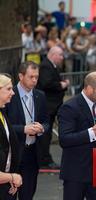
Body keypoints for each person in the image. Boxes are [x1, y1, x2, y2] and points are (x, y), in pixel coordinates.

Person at [57, 71, 96, 200]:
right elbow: (64, 139)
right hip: (76, 173)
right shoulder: (69, 107)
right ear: (89, 88)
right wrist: (91, 132)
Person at [5, 62, 49, 200]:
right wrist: (24, 129)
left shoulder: (40, 96)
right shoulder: (9, 95)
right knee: (9, 194)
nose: (35, 80)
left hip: (32, 152)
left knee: (28, 194)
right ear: (20, 76)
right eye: (31, 77)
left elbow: (47, 121)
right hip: (12, 153)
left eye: (37, 77)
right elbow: (4, 124)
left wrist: (41, 128)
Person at [37, 46, 69, 169]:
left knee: (47, 134)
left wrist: (62, 85)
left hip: (52, 106)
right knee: (45, 134)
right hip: (48, 107)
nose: (62, 58)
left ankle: (44, 158)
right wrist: (62, 85)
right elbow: (47, 83)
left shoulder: (52, 66)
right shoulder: (46, 66)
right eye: (60, 55)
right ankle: (44, 159)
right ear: (53, 54)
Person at [0, 74, 22, 199]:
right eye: (8, 89)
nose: (13, 93)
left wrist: (10, 177)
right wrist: (12, 177)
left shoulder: (2, 113)